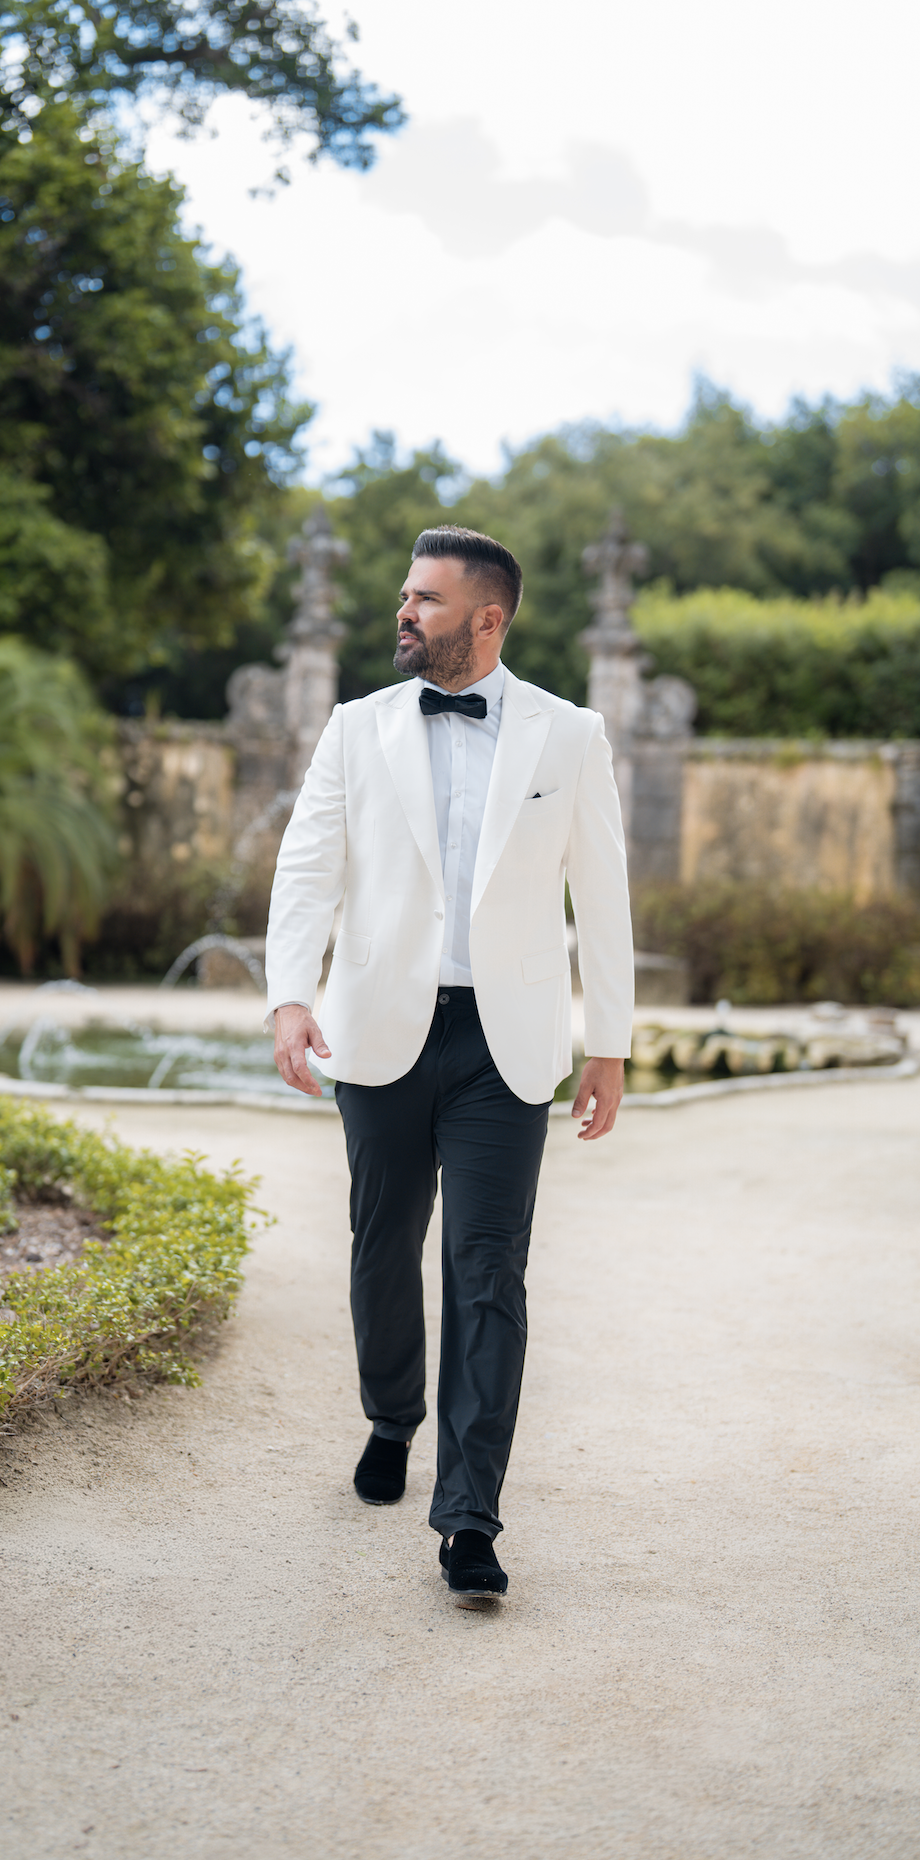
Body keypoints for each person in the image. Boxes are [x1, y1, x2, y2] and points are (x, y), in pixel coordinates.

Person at [265, 524, 634, 1600]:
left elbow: (603, 894)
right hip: (378, 1027)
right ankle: (392, 1413)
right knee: (382, 1248)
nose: (404, 611)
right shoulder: (355, 727)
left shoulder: (570, 737)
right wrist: (291, 996)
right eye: (404, 594)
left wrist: (606, 1037)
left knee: (487, 1272)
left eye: (426, 599)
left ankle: (469, 1516)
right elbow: (307, 870)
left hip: (503, 1046)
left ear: (488, 618)